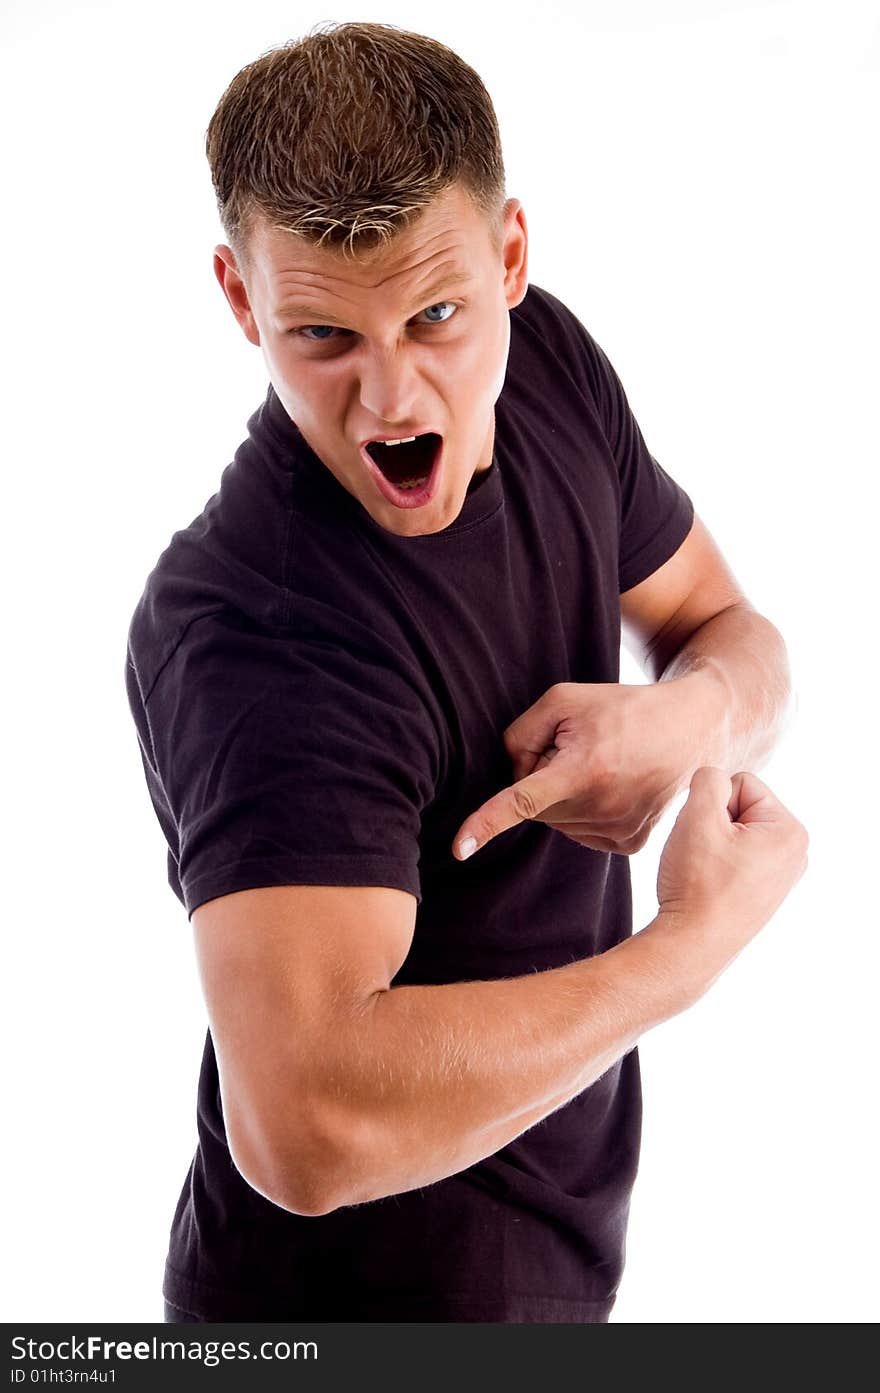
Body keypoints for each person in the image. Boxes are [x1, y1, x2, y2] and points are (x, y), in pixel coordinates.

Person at [124, 21, 808, 1324]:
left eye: (436, 315)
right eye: (322, 335)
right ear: (238, 299)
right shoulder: (248, 631)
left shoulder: (547, 365)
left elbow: (728, 623)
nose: (393, 398)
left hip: (560, 1263)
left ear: (510, 259)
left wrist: (691, 714)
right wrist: (687, 952)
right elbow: (303, 1126)